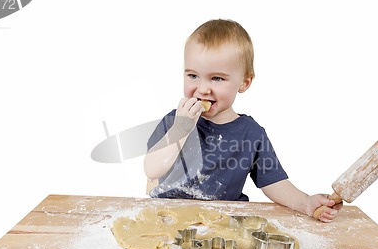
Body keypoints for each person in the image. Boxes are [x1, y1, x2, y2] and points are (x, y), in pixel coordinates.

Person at [144, 19, 341, 222]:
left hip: (222, 223)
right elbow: (152, 169)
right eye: (193, 75)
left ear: (244, 83)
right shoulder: (175, 121)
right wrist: (180, 130)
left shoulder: (251, 134)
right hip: (167, 219)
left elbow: (274, 183)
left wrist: (306, 203)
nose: (202, 89)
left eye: (217, 78)